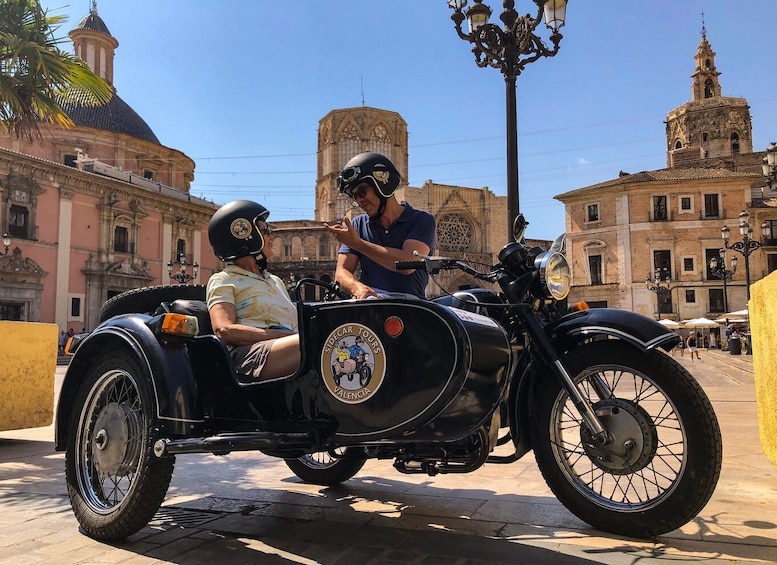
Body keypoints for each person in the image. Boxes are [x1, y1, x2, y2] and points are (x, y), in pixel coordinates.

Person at [206, 200, 299, 383]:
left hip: (288, 349)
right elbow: (224, 329)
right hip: (251, 356)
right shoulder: (223, 279)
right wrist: (283, 336)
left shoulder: (275, 281)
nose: (272, 238)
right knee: (320, 344)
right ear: (244, 235)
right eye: (266, 231)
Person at [324, 152, 436, 299]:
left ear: (383, 184)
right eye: (354, 196)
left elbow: (408, 264)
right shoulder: (358, 224)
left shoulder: (422, 220)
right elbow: (342, 272)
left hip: (411, 308)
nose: (359, 200)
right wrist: (357, 288)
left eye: (362, 192)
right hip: (370, 304)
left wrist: (358, 244)